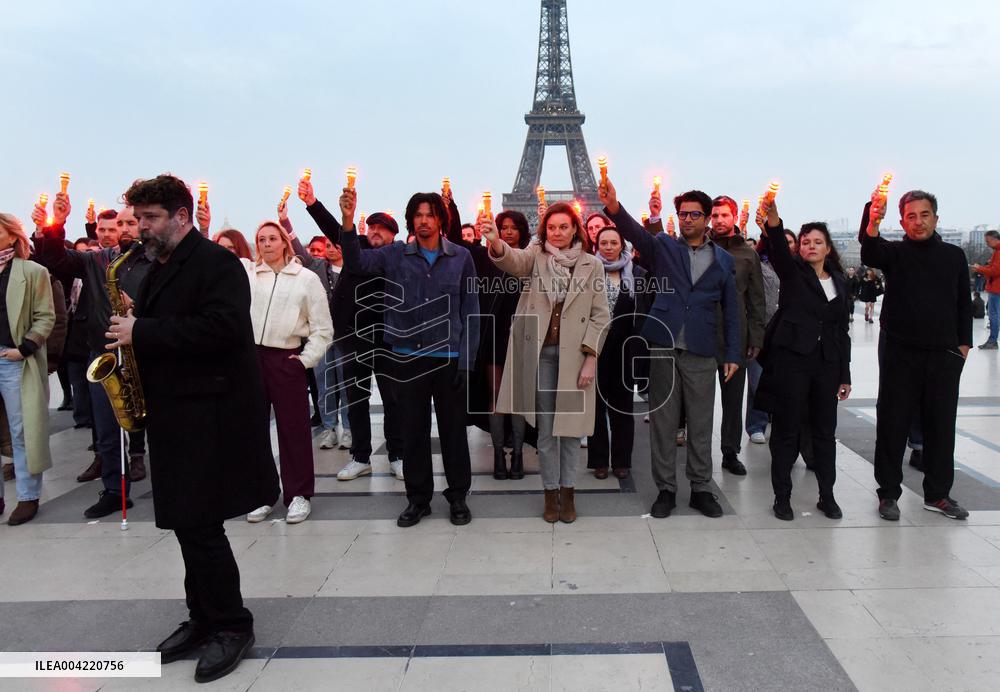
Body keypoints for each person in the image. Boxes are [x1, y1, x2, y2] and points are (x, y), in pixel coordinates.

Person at [108, 175, 279, 682]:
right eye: (139, 218)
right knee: (185, 522)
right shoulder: (159, 265)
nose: (142, 228)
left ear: (183, 216)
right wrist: (137, 330)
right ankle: (203, 617)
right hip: (176, 410)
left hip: (210, 413)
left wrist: (142, 330)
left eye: (152, 218)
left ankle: (231, 624)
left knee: (201, 525)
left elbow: (224, 329)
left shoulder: (216, 262)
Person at [338, 187, 479, 528]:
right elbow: (356, 262)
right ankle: (418, 499)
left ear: (441, 220)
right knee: (413, 431)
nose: (424, 220)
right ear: (411, 221)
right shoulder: (394, 254)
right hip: (406, 357)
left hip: (448, 357)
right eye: (418, 215)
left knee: (453, 433)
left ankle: (458, 496)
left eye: (430, 214)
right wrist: (346, 220)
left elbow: (471, 310)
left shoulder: (461, 257)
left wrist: (467, 362)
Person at [602, 179, 740, 519]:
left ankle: (701, 488)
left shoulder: (723, 260)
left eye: (694, 214)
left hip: (701, 348)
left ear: (707, 219)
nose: (687, 219)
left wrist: (734, 353)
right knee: (663, 422)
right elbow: (635, 233)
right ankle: (666, 488)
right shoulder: (664, 247)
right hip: (663, 345)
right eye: (682, 213)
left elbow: (733, 309)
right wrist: (615, 208)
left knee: (701, 422)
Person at [482, 202, 610, 522]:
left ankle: (568, 493)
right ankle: (549, 494)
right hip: (538, 356)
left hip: (574, 357)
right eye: (551, 227)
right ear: (545, 230)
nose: (557, 232)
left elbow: (600, 316)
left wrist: (591, 359)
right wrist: (496, 242)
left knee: (569, 431)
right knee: (546, 431)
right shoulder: (536, 258)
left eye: (563, 226)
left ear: (574, 229)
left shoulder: (591, 264)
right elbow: (513, 261)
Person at [33, 201, 153, 516]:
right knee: (107, 430)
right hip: (107, 355)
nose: (125, 229)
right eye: (120, 225)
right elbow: (55, 257)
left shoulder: (158, 261)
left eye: (130, 223)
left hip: (148, 354)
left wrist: (137, 307)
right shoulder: (98, 259)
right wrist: (55, 225)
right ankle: (114, 490)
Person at [861, 189, 972, 521]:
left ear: (936, 218)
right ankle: (888, 494)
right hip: (900, 352)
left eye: (924, 215)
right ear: (902, 221)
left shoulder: (954, 256)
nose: (918, 222)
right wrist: (872, 215)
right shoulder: (893, 253)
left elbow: (963, 305)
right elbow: (869, 250)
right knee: (893, 423)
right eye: (911, 216)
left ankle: (938, 494)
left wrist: (962, 347)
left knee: (941, 425)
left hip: (943, 355)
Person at [298, 178, 407, 482]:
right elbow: (335, 228)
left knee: (393, 399)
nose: (374, 232)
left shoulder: (397, 255)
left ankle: (397, 454)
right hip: (353, 336)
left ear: (393, 234)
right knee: (355, 399)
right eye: (371, 227)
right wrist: (312, 203)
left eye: (381, 228)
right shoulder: (355, 246)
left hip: (387, 337)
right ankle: (361, 457)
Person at [756, 207, 852, 520]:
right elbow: (779, 252)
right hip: (793, 364)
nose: (810, 246)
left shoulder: (839, 281)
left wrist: (844, 373)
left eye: (817, 241)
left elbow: (842, 331)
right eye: (805, 241)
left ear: (828, 248)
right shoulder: (793, 273)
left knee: (825, 433)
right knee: (786, 431)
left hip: (827, 366)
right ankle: (782, 497)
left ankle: (828, 495)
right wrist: (773, 221)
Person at [240, 221, 333, 524]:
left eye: (271, 238)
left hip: (286, 357)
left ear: (283, 243)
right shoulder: (249, 275)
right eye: (260, 239)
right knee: (253, 431)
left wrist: (305, 360)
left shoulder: (306, 279)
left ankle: (298, 495)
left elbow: (323, 328)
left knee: (294, 431)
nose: (266, 244)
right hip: (252, 358)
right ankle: (262, 494)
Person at [278, 203, 352, 452]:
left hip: (346, 336)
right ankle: (329, 428)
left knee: (347, 384)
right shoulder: (317, 267)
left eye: (334, 244)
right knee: (324, 384)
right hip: (321, 338)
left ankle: (349, 430)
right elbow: (297, 247)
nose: (330, 249)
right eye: (327, 245)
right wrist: (286, 222)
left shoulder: (353, 270)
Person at [0, 214, 55, 526]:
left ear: (12, 236)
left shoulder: (33, 271)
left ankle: (27, 496)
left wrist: (23, 349)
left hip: (14, 360)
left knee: (23, 431)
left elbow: (46, 316)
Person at [471, 210, 531, 480]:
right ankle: (498, 454)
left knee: (517, 397)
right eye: (503, 227)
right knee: (495, 397)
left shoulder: (530, 260)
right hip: (494, 333)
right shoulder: (488, 259)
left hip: (521, 334)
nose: (507, 231)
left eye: (513, 228)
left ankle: (517, 454)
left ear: (522, 231)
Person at [708, 196, 766, 475]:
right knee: (700, 399)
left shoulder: (747, 254)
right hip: (703, 334)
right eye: (715, 215)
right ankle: (697, 450)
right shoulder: (700, 248)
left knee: (733, 400)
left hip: (735, 337)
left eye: (724, 215)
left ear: (734, 218)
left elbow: (757, 300)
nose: (719, 220)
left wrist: (756, 339)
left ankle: (730, 451)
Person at [586, 225, 649, 480]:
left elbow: (643, 312)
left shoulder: (638, 274)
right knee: (595, 407)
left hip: (625, 348)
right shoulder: (588, 272)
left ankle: (622, 460)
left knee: (622, 407)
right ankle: (599, 461)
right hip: (594, 347)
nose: (609, 247)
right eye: (604, 243)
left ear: (622, 246)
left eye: (614, 243)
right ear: (596, 246)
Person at [746, 228, 797, 444]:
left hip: (788, 333)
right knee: (757, 382)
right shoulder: (759, 263)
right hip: (762, 329)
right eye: (781, 241)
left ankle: (779, 419)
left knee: (786, 382)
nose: (785, 245)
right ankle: (756, 424)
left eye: (790, 242)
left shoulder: (798, 269)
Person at [971, 229, 999, 349]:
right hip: (995, 287)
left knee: (994, 314)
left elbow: (995, 271)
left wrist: (980, 269)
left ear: (994, 239)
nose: (986, 243)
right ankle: (992, 340)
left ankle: (992, 341)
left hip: (996, 288)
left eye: (987, 241)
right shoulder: (996, 251)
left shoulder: (998, 252)